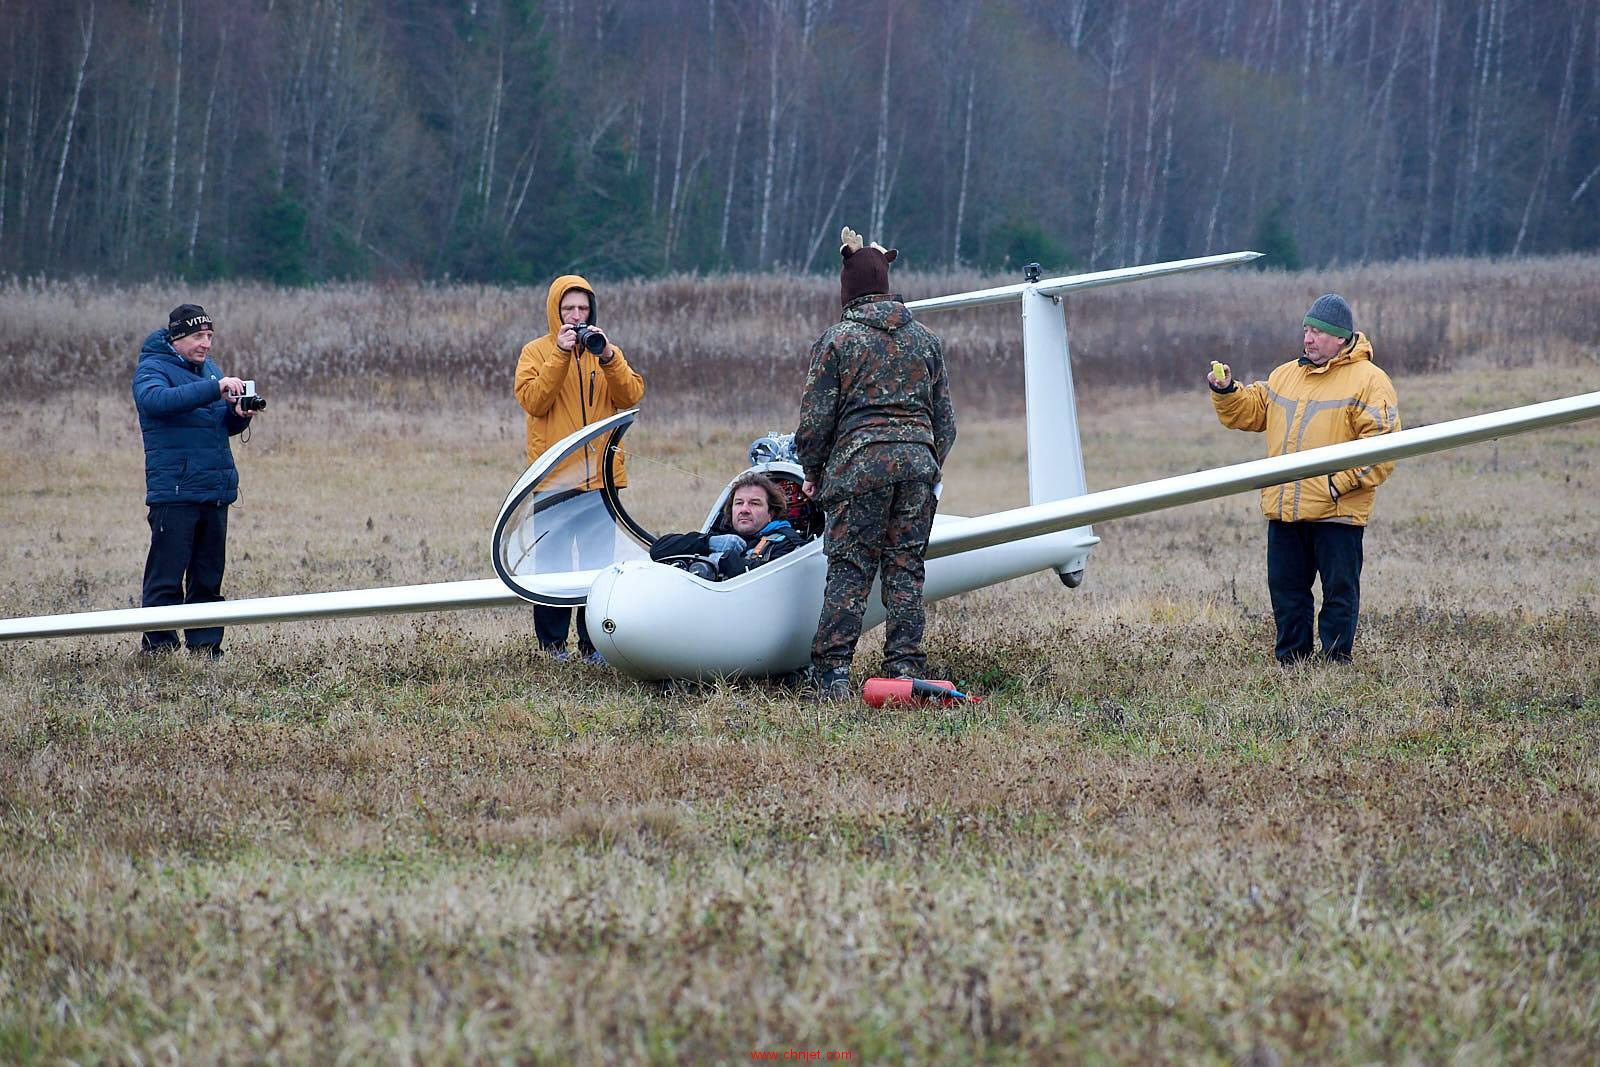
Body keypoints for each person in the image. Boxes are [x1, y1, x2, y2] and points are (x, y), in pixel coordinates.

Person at [796, 227, 958, 698]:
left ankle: (830, 677)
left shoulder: (837, 341)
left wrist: (813, 473)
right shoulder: (926, 340)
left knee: (850, 569)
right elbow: (945, 421)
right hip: (917, 467)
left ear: (846, 289)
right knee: (906, 568)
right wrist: (927, 462)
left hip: (859, 469)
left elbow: (815, 422)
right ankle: (905, 670)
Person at [1208, 293, 1400, 664]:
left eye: (1319, 333)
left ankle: (1334, 664)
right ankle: (1291, 664)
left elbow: (1382, 449)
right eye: (1306, 330)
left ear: (1342, 338)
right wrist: (1228, 391)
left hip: (1337, 513)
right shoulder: (1285, 375)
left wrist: (1334, 486)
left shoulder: (1371, 382)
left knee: (1339, 593)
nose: (1309, 339)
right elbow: (1250, 412)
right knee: (1287, 591)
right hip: (1285, 510)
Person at [514, 274, 646, 661]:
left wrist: (609, 358)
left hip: (599, 481)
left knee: (599, 567)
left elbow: (631, 395)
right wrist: (559, 353)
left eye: (583, 309)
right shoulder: (535, 352)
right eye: (568, 308)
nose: (576, 316)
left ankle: (594, 645)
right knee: (551, 565)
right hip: (554, 479)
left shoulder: (604, 351)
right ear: (555, 311)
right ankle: (552, 646)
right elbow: (535, 401)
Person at [132, 303, 261, 656]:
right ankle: (159, 649)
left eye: (209, 336)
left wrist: (238, 415)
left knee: (207, 578)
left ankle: (206, 648)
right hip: (174, 492)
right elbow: (157, 402)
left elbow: (219, 423)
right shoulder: (152, 369)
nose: (205, 344)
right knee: (166, 579)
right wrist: (214, 388)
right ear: (176, 338)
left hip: (214, 491)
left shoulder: (210, 372)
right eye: (197, 336)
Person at [648, 472, 808, 578]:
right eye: (739, 503)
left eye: (754, 503)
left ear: (771, 512)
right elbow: (658, 550)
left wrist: (723, 560)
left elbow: (767, 578)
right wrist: (708, 543)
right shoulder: (721, 534)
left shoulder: (786, 543)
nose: (744, 509)